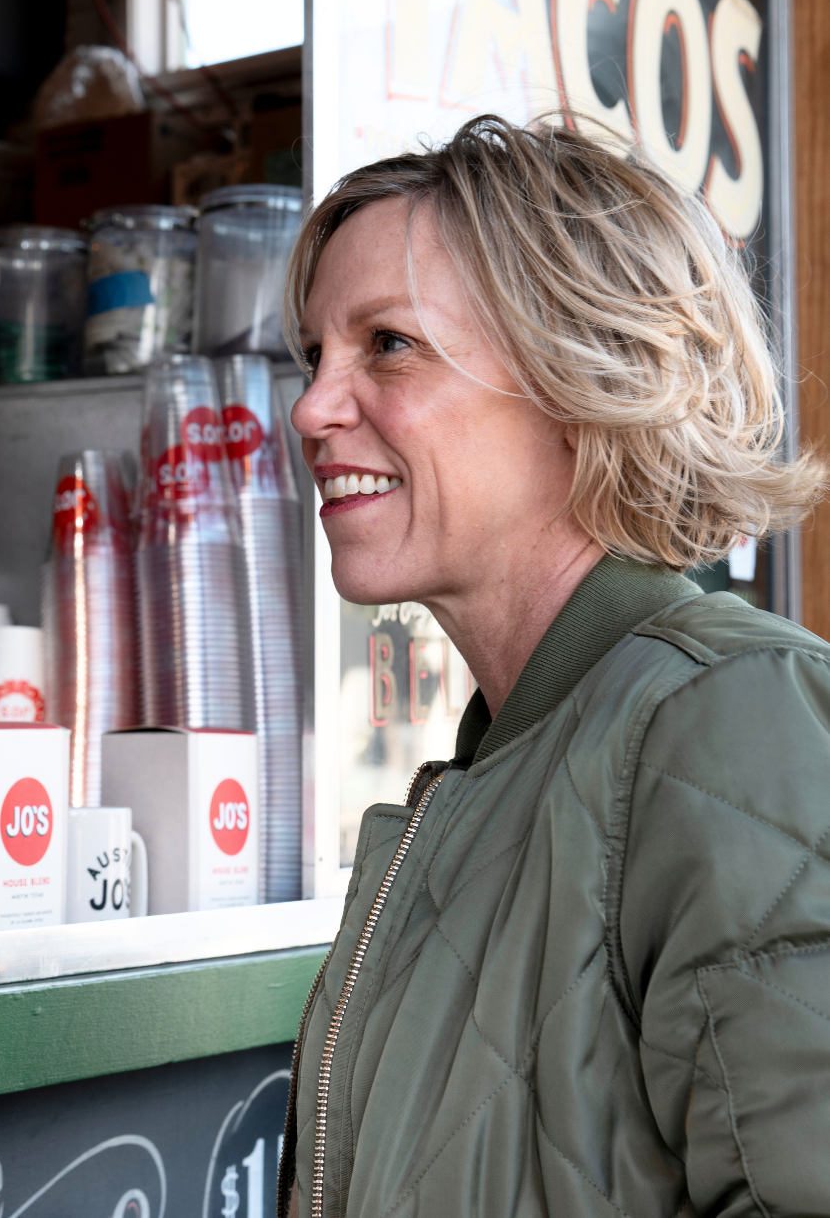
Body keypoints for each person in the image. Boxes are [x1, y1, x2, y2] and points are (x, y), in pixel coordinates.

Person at [278, 116, 830, 1216]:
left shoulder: (730, 716)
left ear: (583, 376)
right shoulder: (503, 768)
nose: (310, 409)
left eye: (387, 343)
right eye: (313, 355)